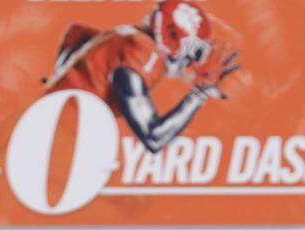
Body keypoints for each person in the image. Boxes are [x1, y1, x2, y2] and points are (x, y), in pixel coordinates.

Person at [42, 0, 240, 153]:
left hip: (46, 122)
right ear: (171, 37)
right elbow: (154, 138)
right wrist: (199, 94)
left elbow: (76, 33)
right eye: (194, 50)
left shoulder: (128, 35)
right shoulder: (144, 53)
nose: (192, 61)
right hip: (56, 141)